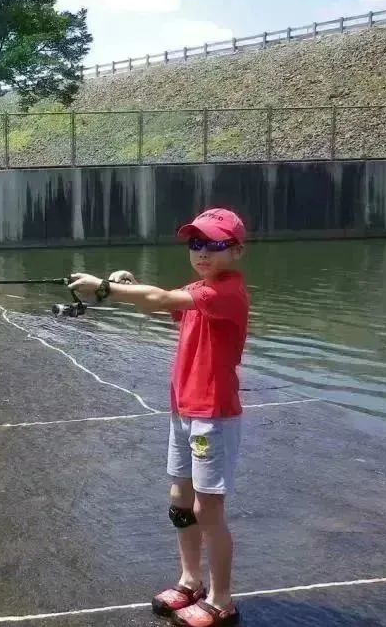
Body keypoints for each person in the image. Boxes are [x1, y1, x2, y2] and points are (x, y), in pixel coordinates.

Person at [66, 208, 249, 627]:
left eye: (215, 244)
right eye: (195, 243)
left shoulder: (227, 293)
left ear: (236, 251)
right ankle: (190, 581)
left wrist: (107, 288)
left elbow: (164, 299)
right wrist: (130, 287)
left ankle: (222, 600)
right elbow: (161, 305)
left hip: (212, 415)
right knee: (180, 503)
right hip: (183, 409)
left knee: (209, 510)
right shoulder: (199, 289)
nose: (202, 252)